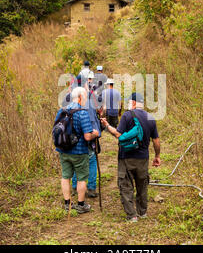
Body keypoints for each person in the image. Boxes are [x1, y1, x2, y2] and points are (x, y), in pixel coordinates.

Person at [100, 93, 161, 222]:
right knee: (142, 185)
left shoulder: (127, 116)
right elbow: (156, 140)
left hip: (126, 158)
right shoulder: (150, 117)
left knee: (126, 186)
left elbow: (118, 134)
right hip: (143, 158)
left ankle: (132, 215)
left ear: (133, 103)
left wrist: (106, 126)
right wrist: (157, 156)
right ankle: (142, 212)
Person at [54, 87, 99, 214]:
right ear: (79, 97)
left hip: (63, 150)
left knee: (65, 176)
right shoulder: (82, 113)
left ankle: (67, 204)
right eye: (84, 97)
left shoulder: (61, 111)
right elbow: (87, 136)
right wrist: (95, 133)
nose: (85, 100)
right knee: (81, 178)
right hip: (79, 152)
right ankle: (80, 204)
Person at [71, 79, 102, 198]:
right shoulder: (88, 100)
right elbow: (95, 117)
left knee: (76, 162)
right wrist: (96, 133)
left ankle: (75, 187)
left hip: (73, 138)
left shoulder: (69, 102)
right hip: (88, 136)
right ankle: (91, 188)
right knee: (91, 160)